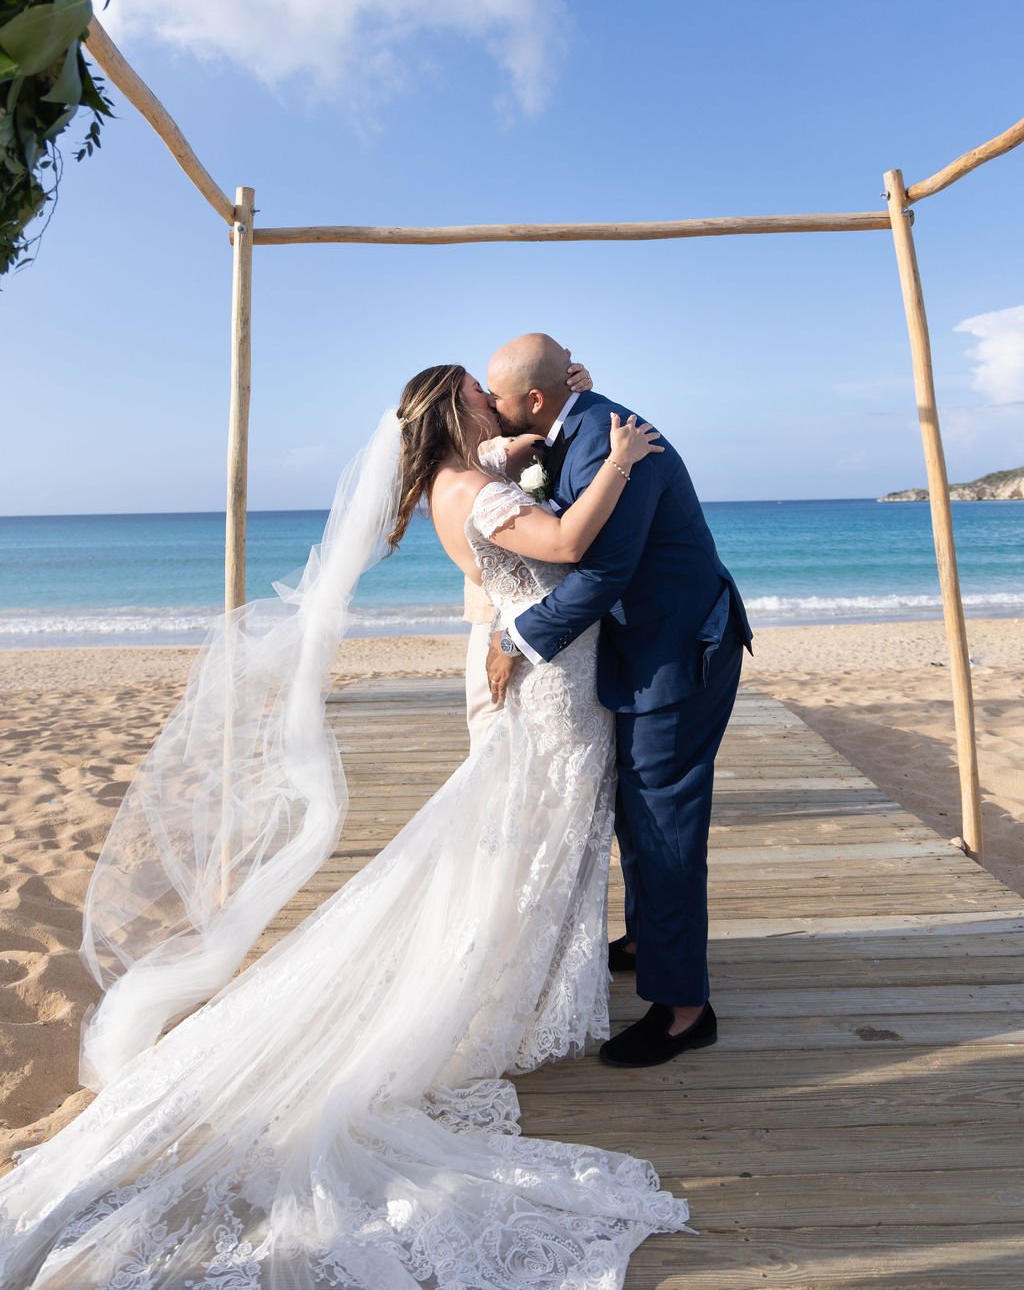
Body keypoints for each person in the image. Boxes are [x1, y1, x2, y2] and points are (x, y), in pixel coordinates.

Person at [0, 363, 692, 1289]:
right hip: (549, 686)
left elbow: (503, 459)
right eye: (481, 399)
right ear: (458, 412)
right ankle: (495, 980)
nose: (494, 405)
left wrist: (539, 431)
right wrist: (618, 459)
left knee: (537, 837)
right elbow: (565, 540)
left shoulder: (467, 474)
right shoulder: (478, 494)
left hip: (546, 680)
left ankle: (528, 969)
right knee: (530, 834)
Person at [485, 333, 753, 1069]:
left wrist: (515, 642)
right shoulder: (572, 429)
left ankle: (684, 1010)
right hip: (650, 647)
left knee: (664, 822)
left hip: (677, 651)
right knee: (636, 806)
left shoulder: (612, 442)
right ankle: (645, 940)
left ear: (534, 400)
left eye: (500, 399)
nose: (495, 411)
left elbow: (602, 574)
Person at [463, 352, 593, 751]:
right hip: (499, 610)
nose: (489, 398)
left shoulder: (515, 439)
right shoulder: (475, 463)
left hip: (553, 614)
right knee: (490, 725)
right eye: (480, 391)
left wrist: (571, 394)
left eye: (494, 392)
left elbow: (557, 429)